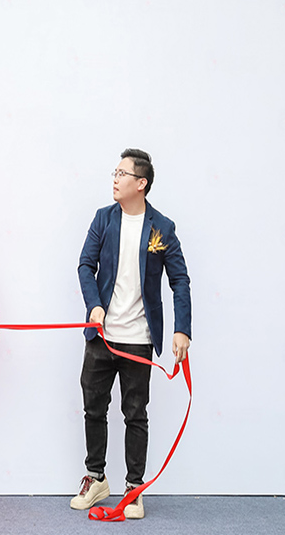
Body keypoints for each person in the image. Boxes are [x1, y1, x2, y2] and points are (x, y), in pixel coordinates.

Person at [72, 148, 191, 519]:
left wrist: (182, 329)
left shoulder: (162, 228)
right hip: (101, 336)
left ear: (141, 183)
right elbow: (85, 264)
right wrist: (94, 305)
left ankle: (133, 487)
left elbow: (180, 280)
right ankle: (96, 477)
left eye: (122, 174)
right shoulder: (103, 219)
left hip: (139, 339)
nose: (115, 179)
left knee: (135, 413)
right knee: (94, 408)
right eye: (115, 172)